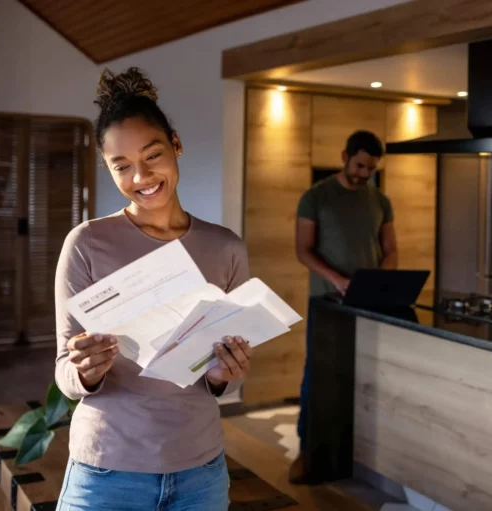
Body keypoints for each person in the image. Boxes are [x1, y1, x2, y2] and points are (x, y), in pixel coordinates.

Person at [54, 67, 253, 511]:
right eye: (121, 166)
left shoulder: (226, 249)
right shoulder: (86, 244)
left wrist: (225, 375)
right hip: (106, 473)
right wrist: (85, 371)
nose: (141, 176)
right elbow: (66, 374)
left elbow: (226, 380)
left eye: (153, 155)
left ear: (176, 144)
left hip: (199, 473)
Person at [289, 130, 397, 483]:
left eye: (371, 168)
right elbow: (303, 249)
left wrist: (379, 281)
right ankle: (308, 452)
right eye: (360, 165)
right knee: (318, 376)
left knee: (363, 376)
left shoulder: (381, 201)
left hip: (370, 305)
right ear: (344, 157)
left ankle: (356, 453)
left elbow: (390, 249)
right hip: (328, 304)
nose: (365, 173)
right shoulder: (316, 197)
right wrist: (336, 279)